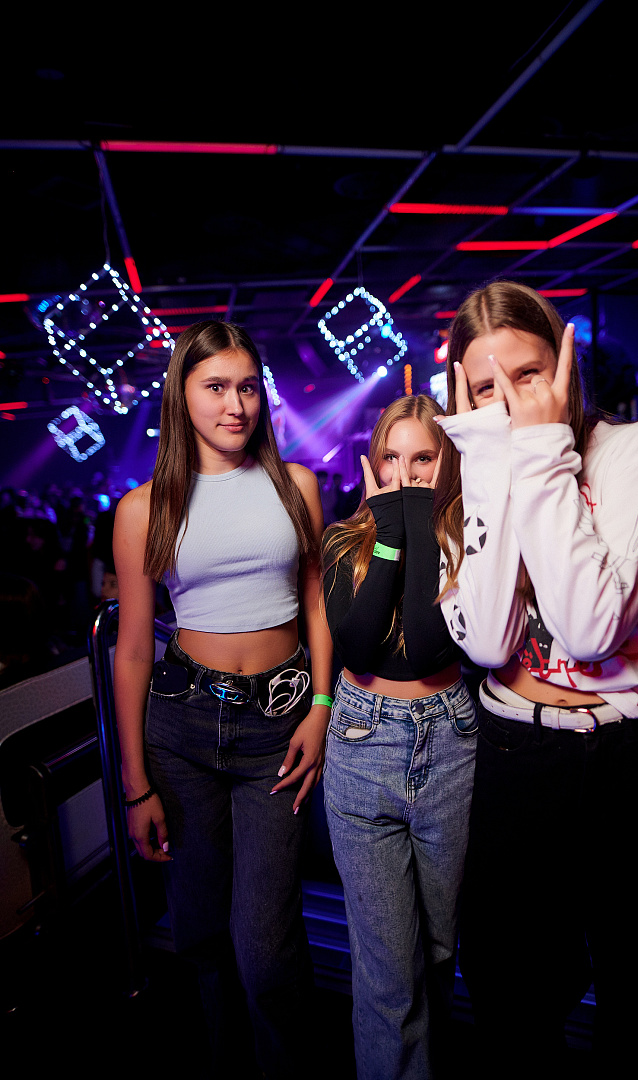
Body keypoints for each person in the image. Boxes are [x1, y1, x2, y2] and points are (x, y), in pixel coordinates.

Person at [437, 281, 638, 1075]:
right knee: (509, 1001)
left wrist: (542, 453)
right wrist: (491, 465)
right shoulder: (469, 480)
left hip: (633, 759)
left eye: (527, 374)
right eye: (484, 387)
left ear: (566, 366)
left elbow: (592, 627)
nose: (510, 400)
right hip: (515, 755)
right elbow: (490, 640)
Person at [112, 320, 333, 1078]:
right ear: (182, 395)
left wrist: (322, 707)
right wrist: (135, 785)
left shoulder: (297, 485)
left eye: (246, 387)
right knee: (203, 935)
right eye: (215, 387)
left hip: (278, 726)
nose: (234, 405)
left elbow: (317, 605)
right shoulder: (143, 508)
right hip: (180, 727)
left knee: (267, 951)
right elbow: (133, 650)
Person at [322, 394, 477, 1080]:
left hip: (450, 743)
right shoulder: (344, 541)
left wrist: (416, 519)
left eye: (423, 459)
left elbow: (426, 642)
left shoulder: (469, 539)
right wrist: (390, 531)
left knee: (438, 953)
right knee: (389, 973)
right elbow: (359, 647)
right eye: (392, 457)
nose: (406, 474)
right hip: (364, 742)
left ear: (449, 462)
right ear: (372, 461)